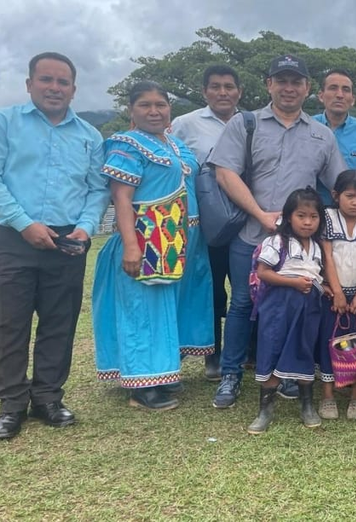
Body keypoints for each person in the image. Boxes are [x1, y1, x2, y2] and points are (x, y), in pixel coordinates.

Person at [0, 52, 107, 440]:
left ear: (74, 89)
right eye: (46, 80)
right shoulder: (2, 123)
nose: (55, 88)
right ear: (29, 84)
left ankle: (48, 397)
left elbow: (97, 188)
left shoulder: (88, 135)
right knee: (7, 323)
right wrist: (24, 223)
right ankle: (11, 404)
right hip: (9, 238)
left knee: (59, 323)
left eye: (63, 82)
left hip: (67, 240)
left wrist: (84, 228)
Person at [206, 54, 346, 409]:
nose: (288, 87)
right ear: (268, 84)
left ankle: (286, 374)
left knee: (293, 307)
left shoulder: (321, 135)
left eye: (295, 81)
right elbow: (225, 172)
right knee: (241, 303)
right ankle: (230, 375)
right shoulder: (245, 123)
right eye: (281, 80)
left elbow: (339, 184)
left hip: (298, 245)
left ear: (307, 88)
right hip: (251, 234)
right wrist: (260, 214)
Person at [93, 81, 203, 411]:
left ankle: (160, 373)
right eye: (145, 105)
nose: (154, 111)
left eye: (161, 104)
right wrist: (131, 245)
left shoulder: (171, 143)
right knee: (142, 310)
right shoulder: (127, 146)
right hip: (145, 239)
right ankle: (142, 385)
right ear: (131, 110)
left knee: (162, 308)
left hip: (171, 241)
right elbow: (122, 198)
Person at [171, 64, 243, 381]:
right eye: (215, 86)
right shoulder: (185, 124)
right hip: (207, 223)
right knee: (212, 290)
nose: (223, 92)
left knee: (247, 289)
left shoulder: (251, 122)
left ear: (239, 91)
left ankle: (245, 351)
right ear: (204, 91)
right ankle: (212, 355)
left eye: (229, 86)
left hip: (245, 218)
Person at [247, 188, 327, 434]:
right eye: (301, 215)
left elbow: (316, 276)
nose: (307, 222)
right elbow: (263, 273)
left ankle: (307, 406)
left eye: (313, 217)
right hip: (278, 308)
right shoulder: (276, 242)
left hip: (308, 308)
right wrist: (293, 282)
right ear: (289, 216)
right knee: (272, 350)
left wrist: (325, 287)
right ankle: (265, 410)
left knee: (303, 350)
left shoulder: (316, 246)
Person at [316, 170, 356, 420]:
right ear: (336, 195)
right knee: (330, 339)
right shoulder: (327, 219)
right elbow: (328, 257)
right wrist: (338, 293)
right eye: (349, 196)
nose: (355, 202)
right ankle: (328, 394)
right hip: (333, 292)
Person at [313, 69, 356, 205]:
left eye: (346, 90)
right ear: (321, 96)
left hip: (352, 212)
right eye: (333, 88)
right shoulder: (307, 126)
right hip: (312, 212)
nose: (339, 95)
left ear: (353, 99)